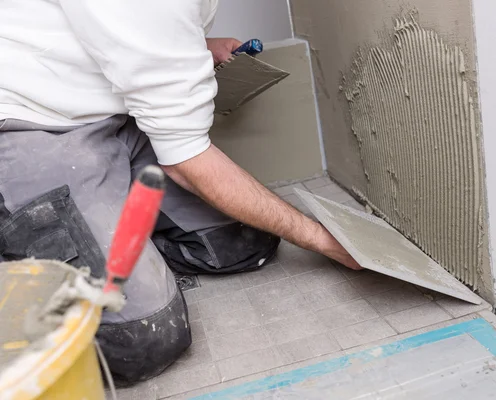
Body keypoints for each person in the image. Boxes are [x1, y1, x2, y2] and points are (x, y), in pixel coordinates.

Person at [0, 0, 360, 385]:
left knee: (243, 243)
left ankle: (93, 233)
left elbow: (116, 20)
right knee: (142, 336)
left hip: (115, 118)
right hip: (30, 129)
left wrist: (193, 45)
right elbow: (188, 160)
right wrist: (321, 238)